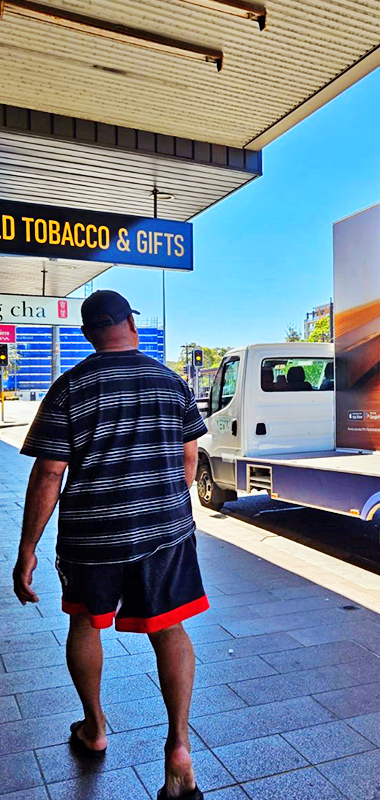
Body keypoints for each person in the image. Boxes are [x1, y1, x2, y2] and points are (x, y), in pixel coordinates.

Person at [12, 290, 208, 800]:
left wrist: (27, 548)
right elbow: (189, 463)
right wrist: (161, 503)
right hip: (164, 534)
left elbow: (50, 471)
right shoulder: (172, 382)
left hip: (92, 537)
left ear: (86, 334)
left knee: (84, 622)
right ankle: (180, 747)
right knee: (170, 629)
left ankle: (95, 728)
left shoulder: (70, 386)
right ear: (130, 325)